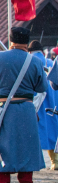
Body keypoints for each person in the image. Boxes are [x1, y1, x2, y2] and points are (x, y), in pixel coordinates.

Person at [0, 27, 48, 183]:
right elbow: (42, 87)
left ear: (10, 40)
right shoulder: (34, 61)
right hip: (26, 111)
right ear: (27, 42)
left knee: (1, 153)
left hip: (3, 110)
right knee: (26, 153)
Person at [27, 40, 58, 170]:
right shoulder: (50, 62)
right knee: (52, 128)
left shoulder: (28, 62)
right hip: (52, 101)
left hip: (33, 100)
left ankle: (31, 161)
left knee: (32, 131)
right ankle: (54, 160)